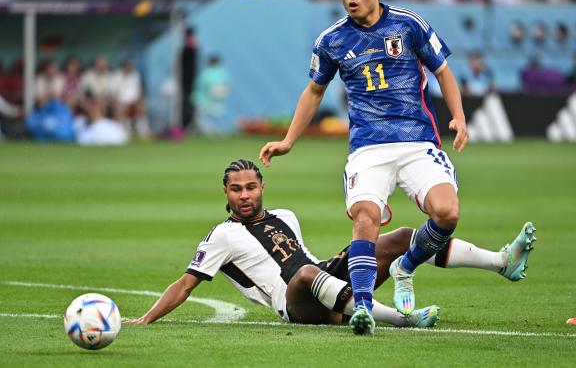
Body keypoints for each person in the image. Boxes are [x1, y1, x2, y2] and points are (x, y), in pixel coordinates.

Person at [258, 0, 469, 335]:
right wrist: (288, 140)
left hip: (416, 141)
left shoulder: (409, 25)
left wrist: (458, 116)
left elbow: (442, 71)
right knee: (365, 219)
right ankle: (365, 307)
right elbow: (314, 92)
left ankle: (405, 266)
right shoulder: (332, 40)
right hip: (368, 149)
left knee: (447, 213)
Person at [127, 160, 536, 332]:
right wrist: (146, 320)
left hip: (323, 277)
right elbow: (185, 284)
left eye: (251, 187)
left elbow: (307, 255)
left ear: (262, 186)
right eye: (236, 190)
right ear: (226, 193)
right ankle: (402, 320)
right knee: (306, 275)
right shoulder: (221, 236)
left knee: (398, 238)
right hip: (295, 303)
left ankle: (500, 261)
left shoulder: (285, 215)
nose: (245, 195)